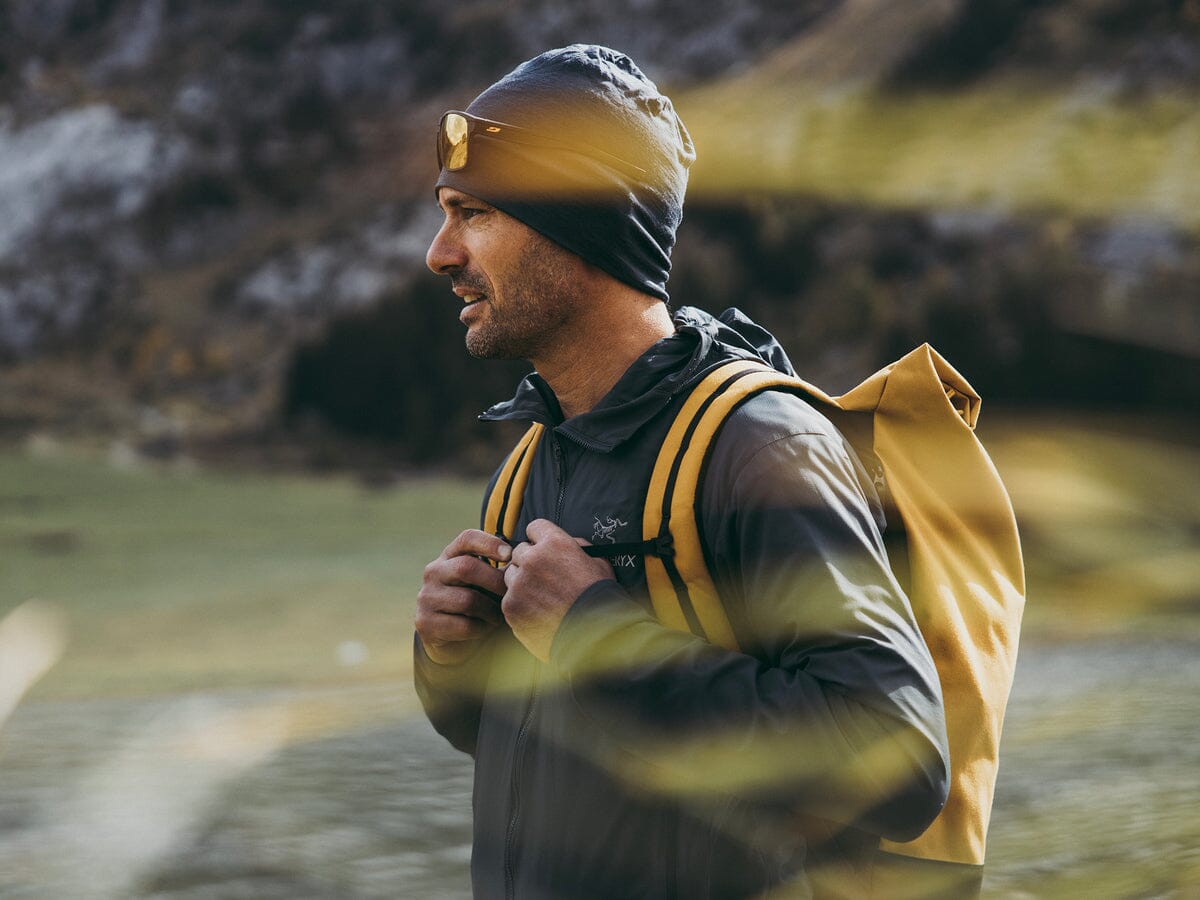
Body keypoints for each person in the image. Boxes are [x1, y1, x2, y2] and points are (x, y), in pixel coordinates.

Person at [414, 45, 949, 899]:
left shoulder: (762, 450)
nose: (440, 254)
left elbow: (900, 762)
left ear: (581, 223)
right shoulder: (529, 464)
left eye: (472, 213)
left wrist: (593, 633)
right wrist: (452, 659)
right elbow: (545, 750)